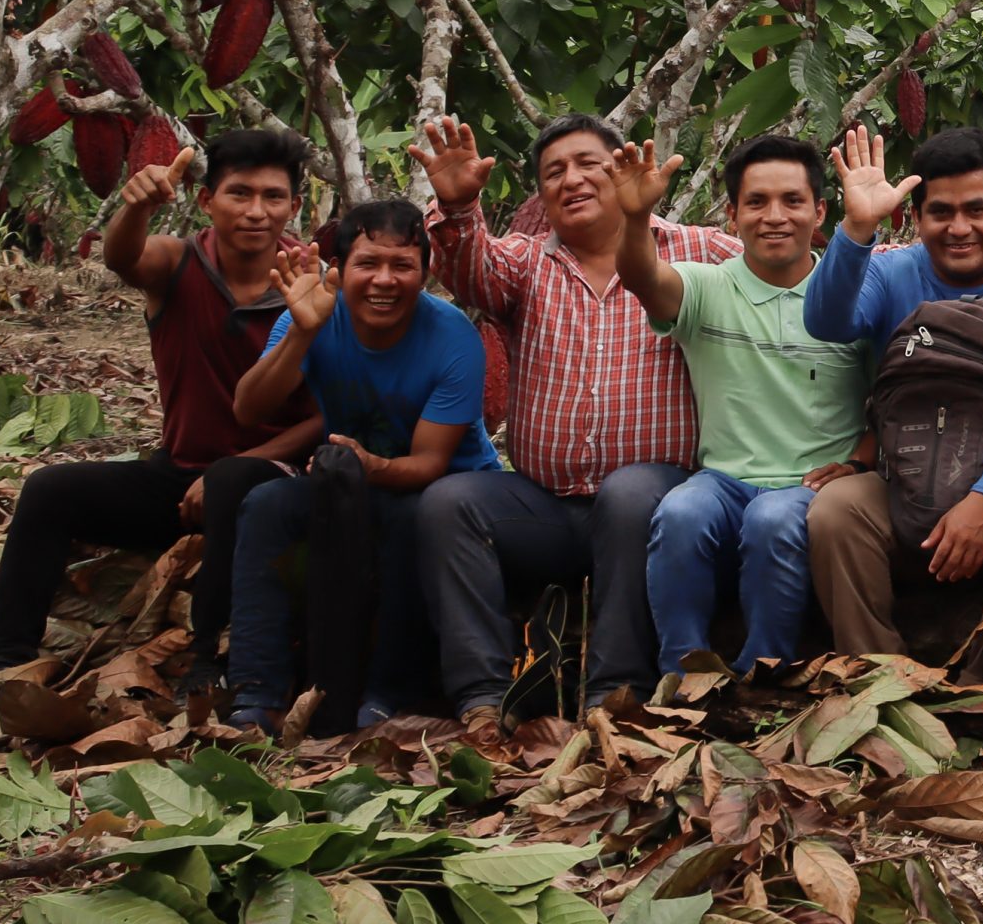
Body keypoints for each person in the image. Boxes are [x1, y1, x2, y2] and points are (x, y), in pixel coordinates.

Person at [412, 114, 739, 735]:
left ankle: (613, 697)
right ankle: (482, 699)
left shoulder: (700, 251)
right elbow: (469, 269)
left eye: (588, 163)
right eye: (552, 172)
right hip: (549, 507)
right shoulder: (527, 263)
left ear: (623, 167)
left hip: (656, 500)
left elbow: (792, 277)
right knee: (449, 503)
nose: (571, 180)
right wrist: (456, 208)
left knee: (630, 491)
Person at [0, 131, 322, 693]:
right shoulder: (179, 262)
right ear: (207, 201)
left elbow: (327, 418)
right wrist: (135, 206)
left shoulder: (313, 284)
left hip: (271, 483)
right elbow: (124, 257)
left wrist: (230, 472)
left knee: (242, 487)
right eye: (239, 194)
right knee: (49, 489)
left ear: (295, 206)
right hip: (177, 474)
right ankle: (4, 663)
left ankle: (215, 669)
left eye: (273, 197)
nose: (257, 211)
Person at [802, 125, 983, 684]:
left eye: (977, 210)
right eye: (940, 212)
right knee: (836, 511)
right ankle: (879, 680)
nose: (958, 229)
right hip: (904, 476)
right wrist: (857, 227)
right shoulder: (891, 270)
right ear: (916, 217)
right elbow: (827, 321)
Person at [228, 199, 500, 731]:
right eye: (367, 264)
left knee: (413, 520)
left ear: (425, 272)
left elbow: (427, 464)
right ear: (341, 269)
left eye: (402, 266)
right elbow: (248, 409)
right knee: (265, 506)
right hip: (351, 480)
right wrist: (303, 332)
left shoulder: (453, 338)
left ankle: (388, 693)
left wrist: (370, 466)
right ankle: (254, 692)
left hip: (444, 489)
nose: (384, 280)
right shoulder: (309, 315)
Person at [610, 134, 872, 675]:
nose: (774, 216)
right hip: (724, 480)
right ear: (732, 215)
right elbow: (642, 278)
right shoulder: (707, 287)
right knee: (681, 513)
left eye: (792, 201)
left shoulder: (853, 294)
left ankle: (763, 673)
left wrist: (860, 462)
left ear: (819, 211)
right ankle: (682, 675)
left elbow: (891, 401)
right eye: (756, 202)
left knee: (773, 520)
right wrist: (635, 218)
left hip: (811, 485)